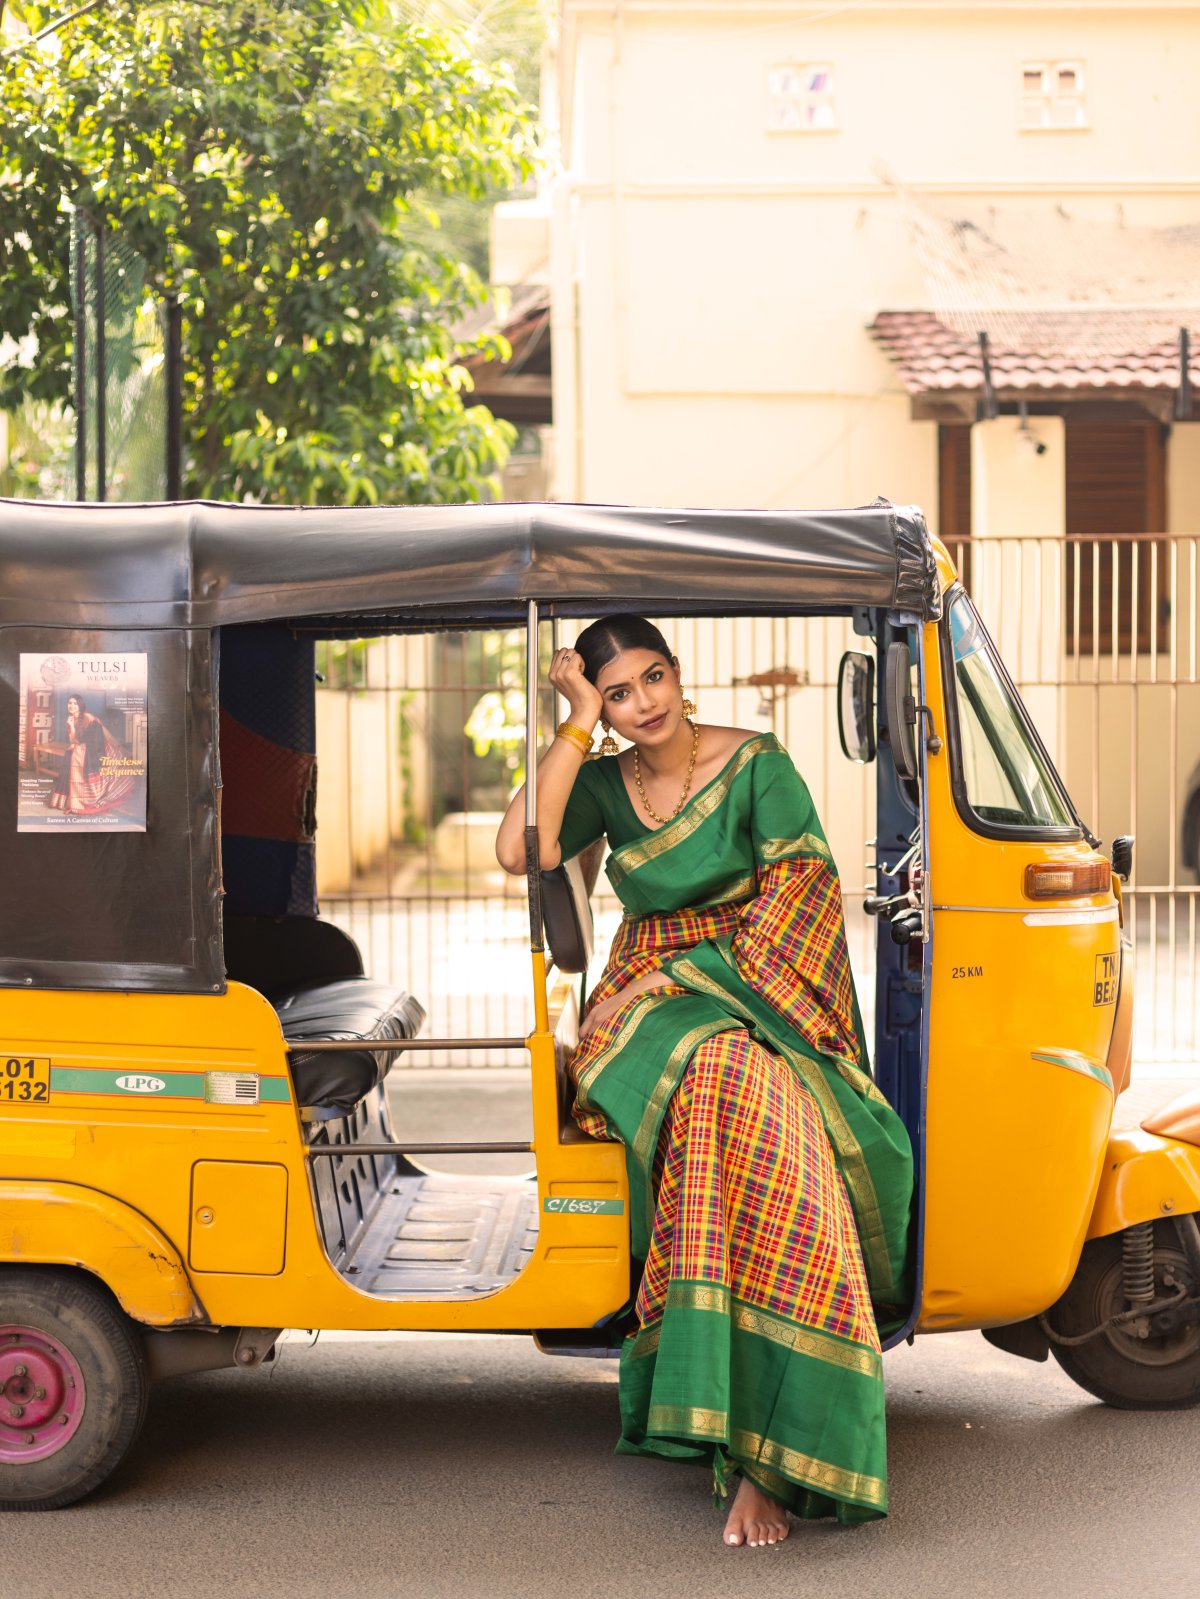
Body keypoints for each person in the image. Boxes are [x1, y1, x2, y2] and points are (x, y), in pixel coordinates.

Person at [496, 615, 913, 1549]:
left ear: (679, 675)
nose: (640, 704)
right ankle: (753, 1438)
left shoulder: (758, 764)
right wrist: (569, 726)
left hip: (753, 991)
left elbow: (801, 905)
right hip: (640, 1015)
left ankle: (760, 1448)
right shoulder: (606, 780)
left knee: (761, 1111)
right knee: (723, 1076)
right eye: (614, 693)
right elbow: (521, 849)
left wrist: (684, 973)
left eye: (651, 679)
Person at [48, 695, 134, 816]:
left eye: (75, 704)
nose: (71, 706)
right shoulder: (70, 720)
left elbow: (97, 740)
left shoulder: (89, 718)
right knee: (70, 755)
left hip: (95, 750)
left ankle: (84, 800)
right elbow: (73, 741)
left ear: (80, 705)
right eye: (70, 703)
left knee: (75, 755)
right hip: (81, 749)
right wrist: (72, 727)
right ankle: (68, 800)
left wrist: (80, 747)